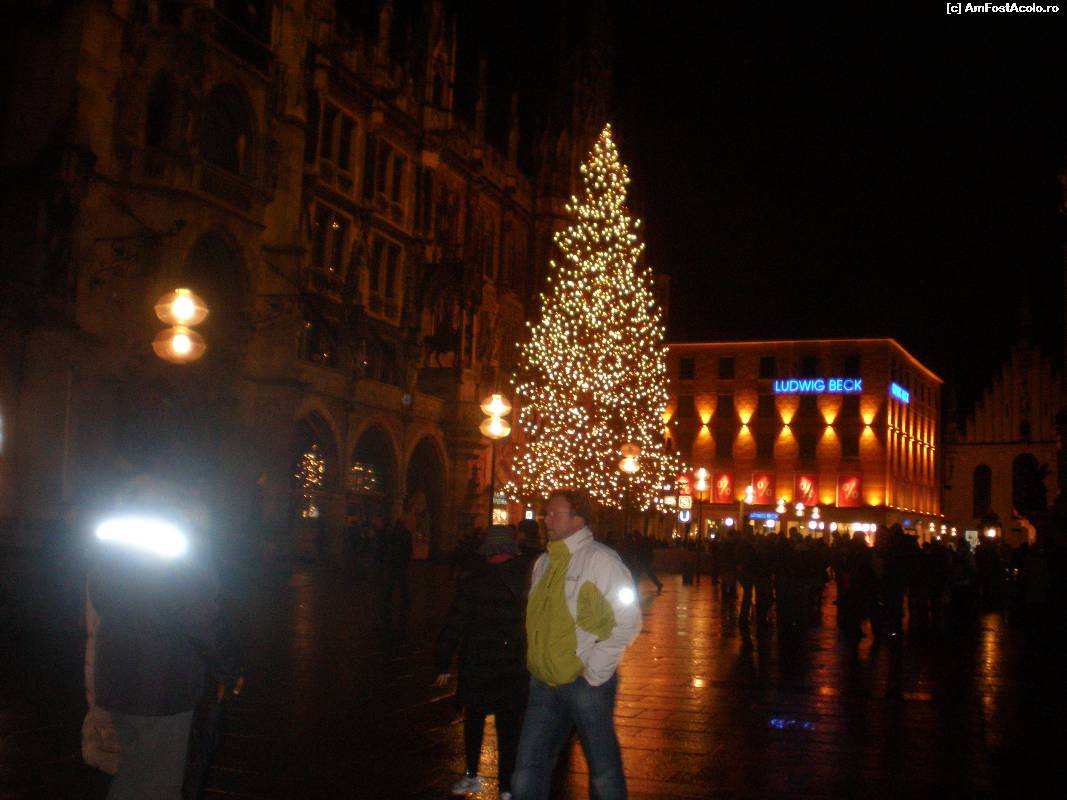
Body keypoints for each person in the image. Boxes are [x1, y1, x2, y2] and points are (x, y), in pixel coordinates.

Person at [88, 474, 241, 799]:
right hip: (161, 687)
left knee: (134, 770)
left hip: (116, 675)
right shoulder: (178, 545)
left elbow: (99, 599)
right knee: (160, 782)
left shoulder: (112, 537)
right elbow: (201, 616)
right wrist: (230, 669)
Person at [511, 489, 642, 800]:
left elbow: (628, 618)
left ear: (578, 519)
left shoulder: (601, 561)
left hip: (585, 683)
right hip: (544, 681)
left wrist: (595, 671)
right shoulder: (544, 562)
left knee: (603, 770)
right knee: (528, 768)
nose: (546, 520)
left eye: (554, 514)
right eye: (546, 513)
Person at [434, 525, 530, 799]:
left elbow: (456, 622)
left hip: (478, 662)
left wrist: (443, 660)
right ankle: (507, 787)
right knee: (509, 729)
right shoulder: (525, 580)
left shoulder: (474, 581)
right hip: (512, 665)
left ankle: (471, 775)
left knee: (474, 721)